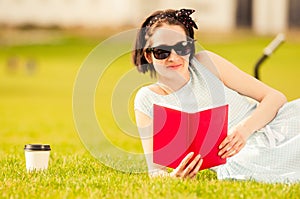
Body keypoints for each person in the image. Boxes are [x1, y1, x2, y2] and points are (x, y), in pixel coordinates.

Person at [132, 8, 300, 183]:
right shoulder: (148, 99)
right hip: (245, 158)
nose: (173, 57)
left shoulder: (206, 63)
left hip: (279, 125)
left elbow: (275, 97)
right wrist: (174, 178)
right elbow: (156, 171)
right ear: (149, 56)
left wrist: (245, 129)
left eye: (182, 47)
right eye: (162, 51)